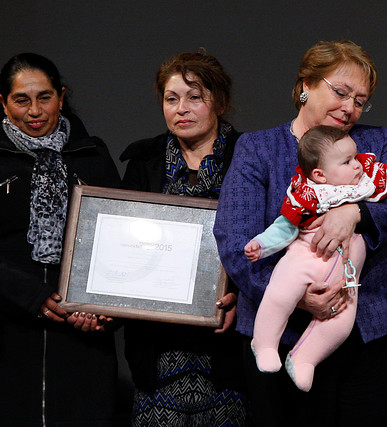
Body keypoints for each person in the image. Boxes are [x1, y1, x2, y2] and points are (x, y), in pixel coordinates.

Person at [214, 40, 387, 426]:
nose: (349, 108)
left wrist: (354, 213)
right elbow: (236, 237)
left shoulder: (373, 143)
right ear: (305, 84)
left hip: (363, 328)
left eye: (360, 100)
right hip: (280, 329)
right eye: (340, 92)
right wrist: (297, 296)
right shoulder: (258, 148)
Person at [246, 125, 387, 392]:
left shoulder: (366, 183)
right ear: (320, 175)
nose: (357, 165)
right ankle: (265, 343)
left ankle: (304, 359)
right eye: (347, 162)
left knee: (341, 324)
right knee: (279, 296)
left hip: (346, 279)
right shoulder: (309, 194)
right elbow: (284, 227)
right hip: (302, 264)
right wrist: (261, 245)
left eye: (356, 157)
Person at [119, 51, 248, 426]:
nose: (182, 109)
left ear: (220, 103)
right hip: (157, 351)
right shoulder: (144, 163)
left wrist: (242, 293)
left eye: (195, 97)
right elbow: (125, 243)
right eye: (171, 98)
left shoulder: (248, 157)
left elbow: (269, 239)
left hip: (226, 348)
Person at [0, 52, 120, 425]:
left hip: (81, 341)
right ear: (2, 103)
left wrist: (104, 309)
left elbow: (121, 244)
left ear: (62, 97)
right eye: (22, 99)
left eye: (45, 97)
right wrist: (26, 294)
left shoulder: (93, 157)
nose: (34, 110)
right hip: (9, 332)